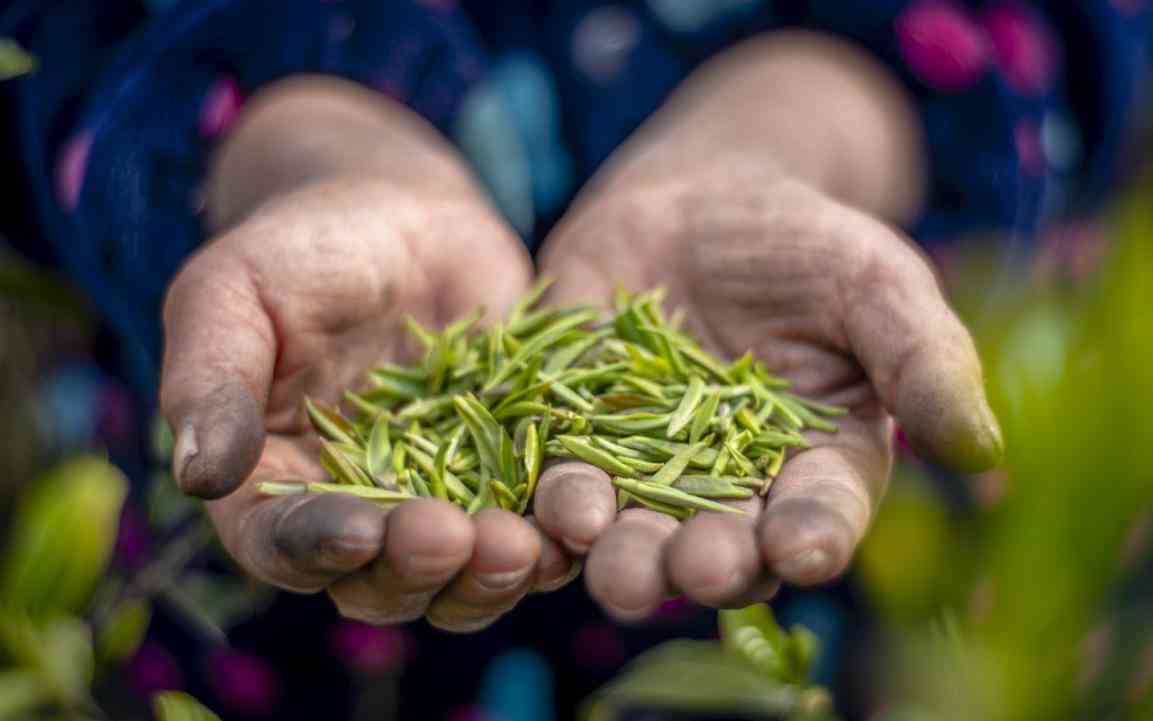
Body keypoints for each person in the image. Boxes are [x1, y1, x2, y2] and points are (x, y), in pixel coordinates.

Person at [2, 1, 1149, 719]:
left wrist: (813, 119)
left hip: (811, 623)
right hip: (250, 620)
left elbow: (1068, 23)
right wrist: (283, 140)